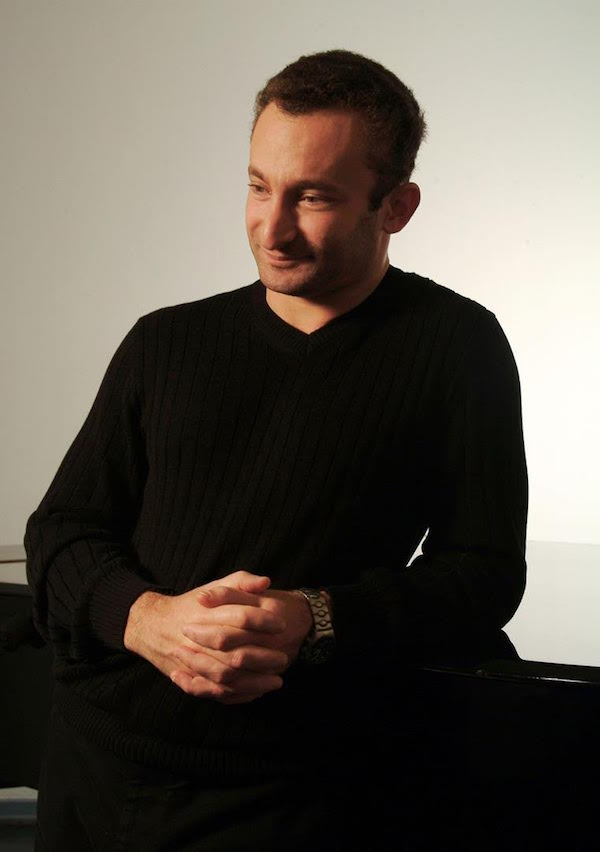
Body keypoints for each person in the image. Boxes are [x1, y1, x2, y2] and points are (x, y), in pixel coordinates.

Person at [25, 49, 528, 851]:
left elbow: (485, 571)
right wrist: (147, 620)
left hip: (296, 794)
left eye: (313, 197)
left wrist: (316, 618)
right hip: (95, 766)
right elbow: (62, 530)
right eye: (259, 187)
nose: (272, 227)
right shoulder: (164, 341)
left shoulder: (458, 347)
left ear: (396, 207)